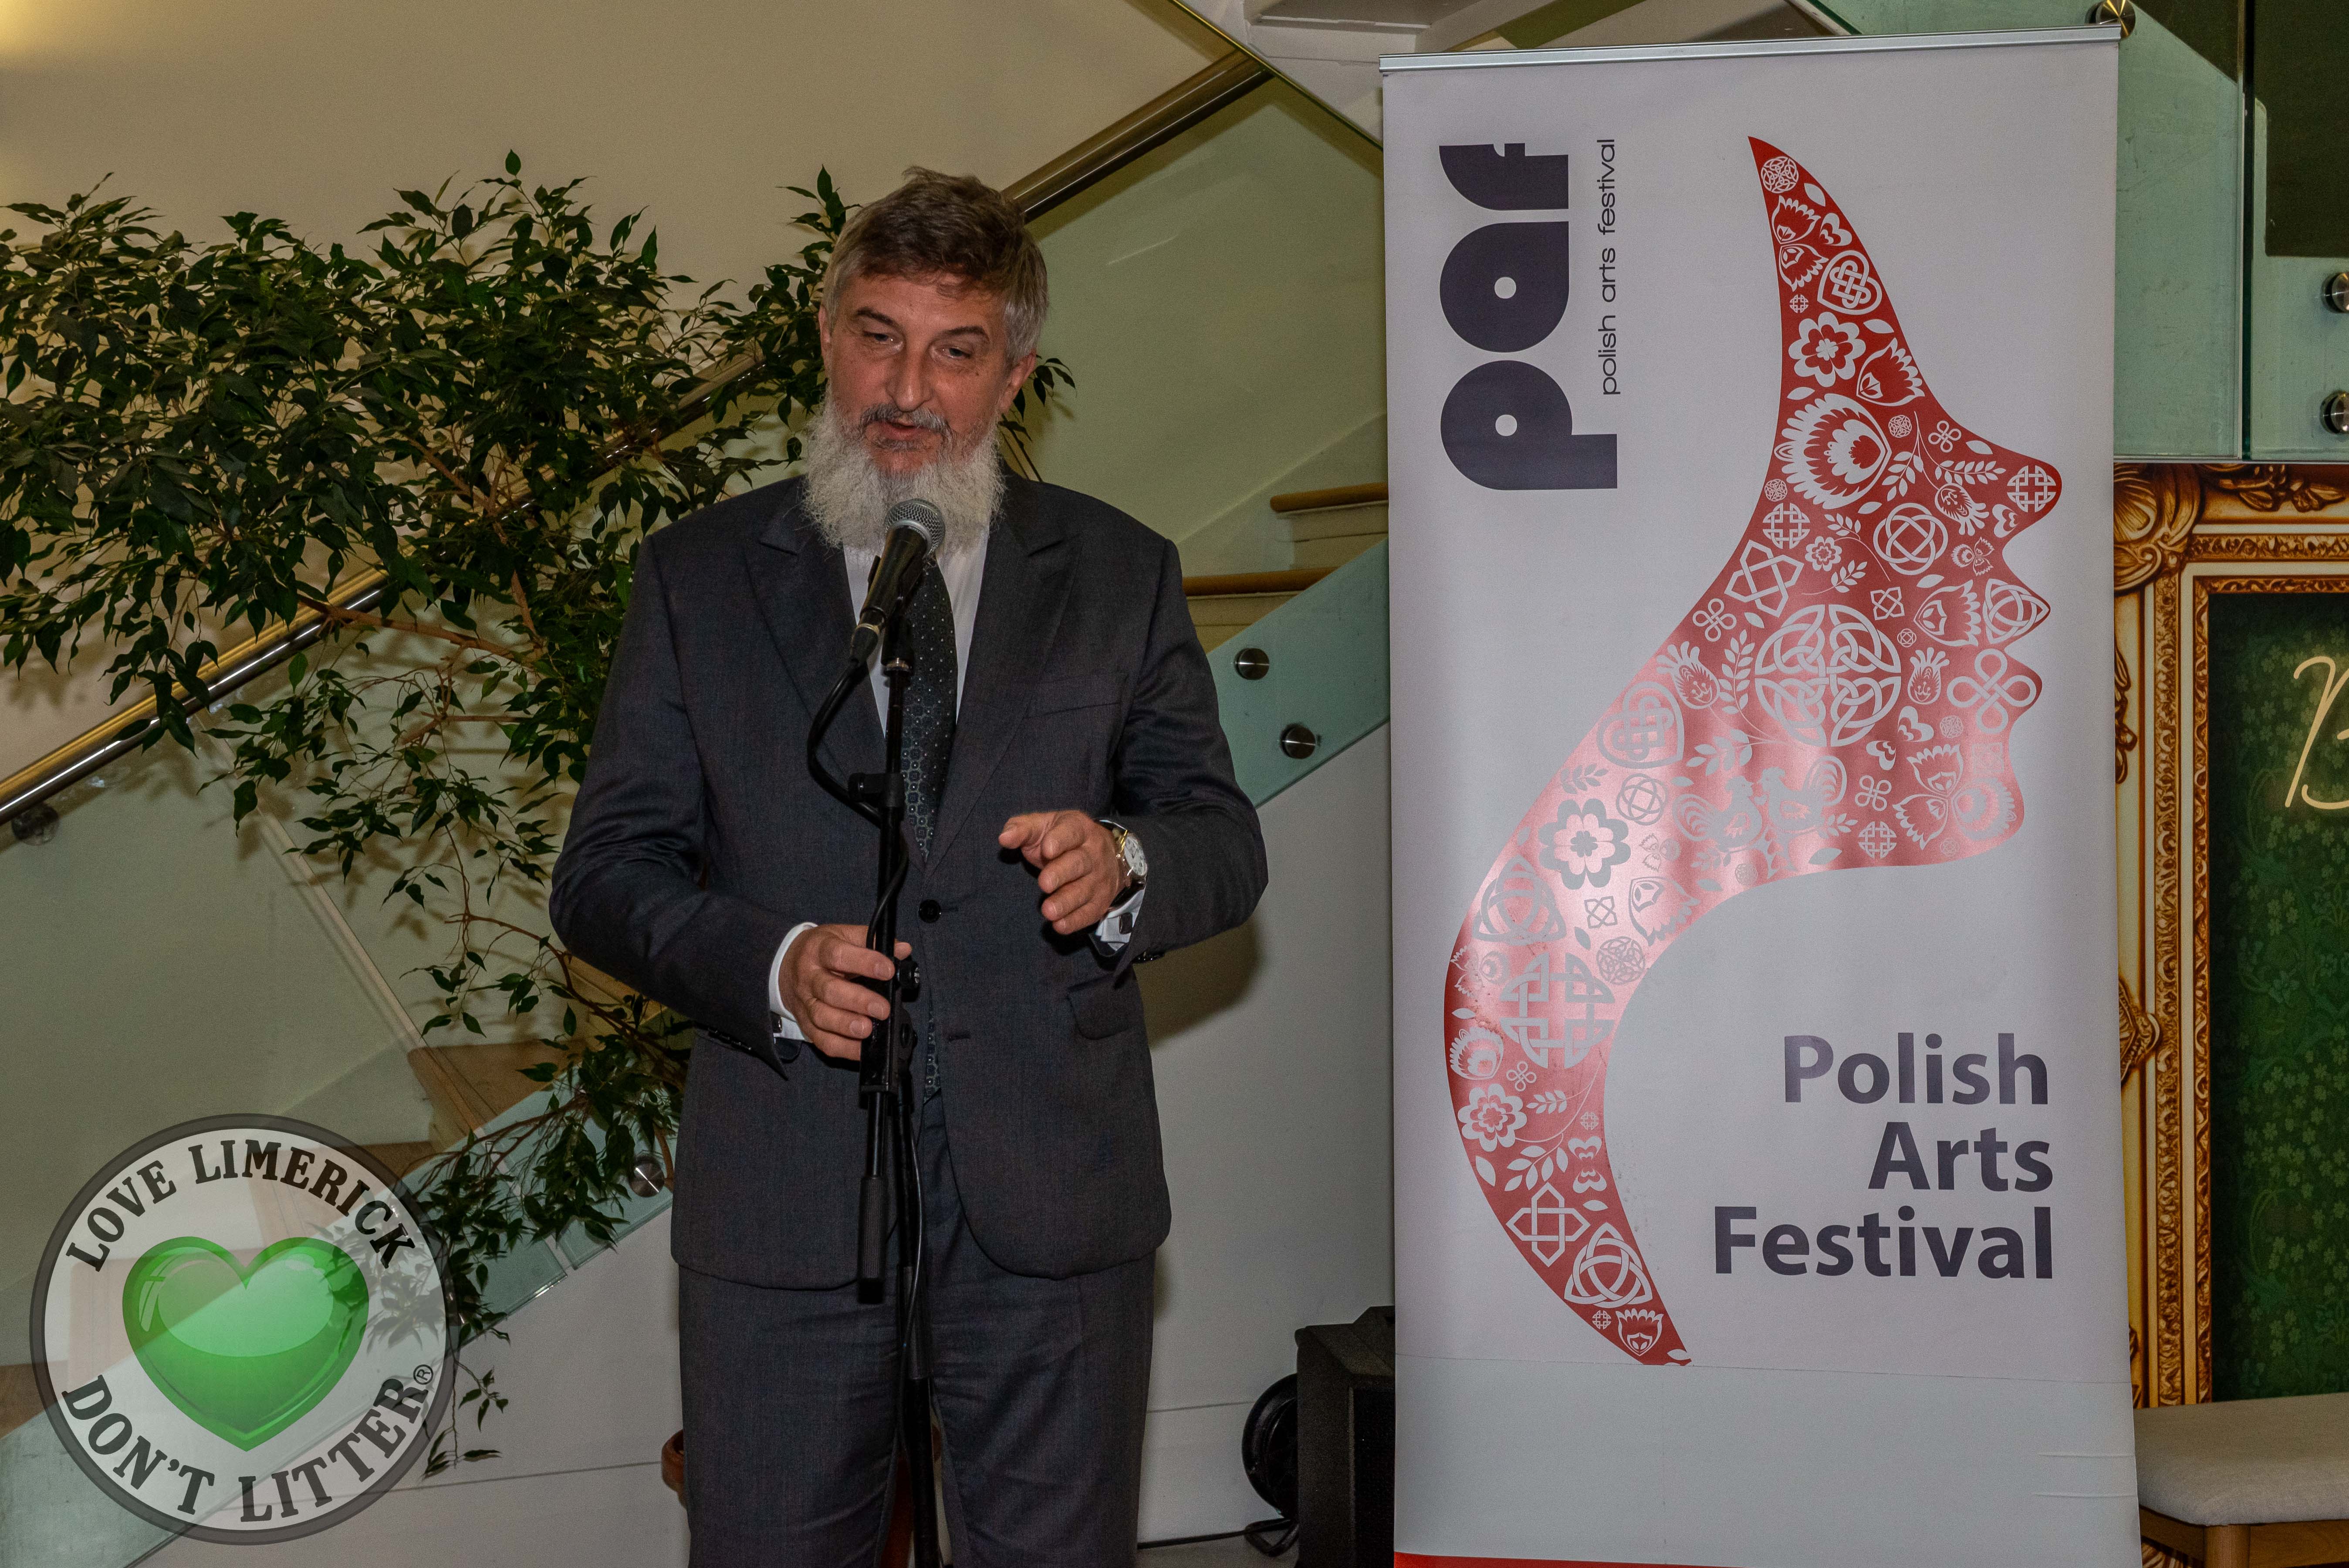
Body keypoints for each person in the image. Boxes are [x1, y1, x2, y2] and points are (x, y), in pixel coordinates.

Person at [550, 168, 1267, 1567]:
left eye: (955, 352)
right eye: (878, 336)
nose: (907, 389)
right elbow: (606, 873)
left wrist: (1122, 861)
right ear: (827, 337)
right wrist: (770, 964)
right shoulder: (698, 577)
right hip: (787, 1205)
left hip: (1052, 1199)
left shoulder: (1119, 572)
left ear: (1015, 376)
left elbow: (1219, 841)